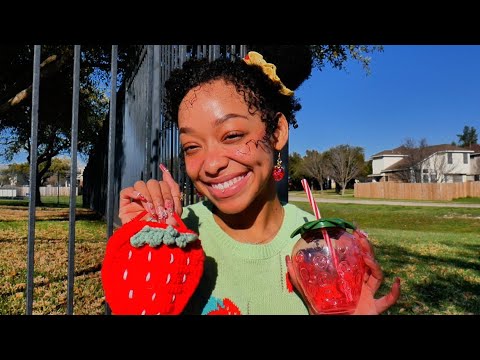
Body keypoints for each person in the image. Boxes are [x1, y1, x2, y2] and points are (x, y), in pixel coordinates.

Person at [117, 51, 401, 315]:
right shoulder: (176, 232)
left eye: (231, 135)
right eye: (191, 146)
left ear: (276, 132)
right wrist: (143, 252)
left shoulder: (318, 249)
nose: (211, 164)